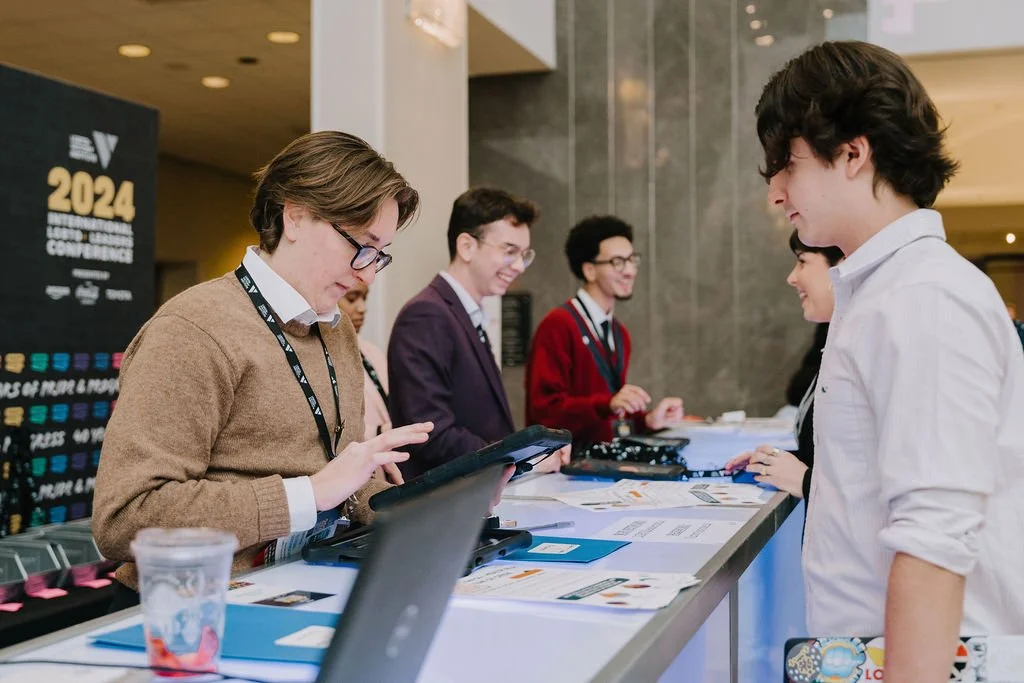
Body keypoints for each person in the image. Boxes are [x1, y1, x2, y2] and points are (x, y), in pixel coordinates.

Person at [757, 40, 1024, 679]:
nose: (776, 192)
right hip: (868, 655)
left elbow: (934, 537)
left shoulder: (923, 297)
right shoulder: (883, 291)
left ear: (852, 152)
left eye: (786, 163)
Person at [93, 131, 435, 609]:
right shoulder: (192, 330)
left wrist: (440, 507)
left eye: (380, 254)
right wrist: (311, 493)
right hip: (197, 609)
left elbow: (344, 484)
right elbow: (127, 519)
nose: (367, 274)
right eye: (360, 244)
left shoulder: (334, 331)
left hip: (310, 585)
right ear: (294, 215)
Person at [388, 187, 569, 478]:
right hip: (445, 505)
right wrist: (520, 460)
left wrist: (533, 449)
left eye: (524, 255)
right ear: (467, 246)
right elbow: (432, 434)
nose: (520, 266)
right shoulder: (426, 315)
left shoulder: (464, 312)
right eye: (510, 251)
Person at [525, 215, 683, 444]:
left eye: (631, 260)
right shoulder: (558, 325)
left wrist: (648, 420)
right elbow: (544, 411)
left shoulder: (619, 333)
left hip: (602, 463)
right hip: (564, 468)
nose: (630, 271)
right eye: (617, 262)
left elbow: (611, 413)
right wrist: (606, 404)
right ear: (589, 270)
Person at [725, 231, 843, 501]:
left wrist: (803, 479)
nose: (792, 277)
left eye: (803, 262)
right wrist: (779, 463)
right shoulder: (835, 334)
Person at [337, 283, 392, 443]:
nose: (362, 308)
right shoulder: (321, 356)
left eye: (365, 298)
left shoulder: (374, 352)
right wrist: (380, 432)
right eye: (352, 298)